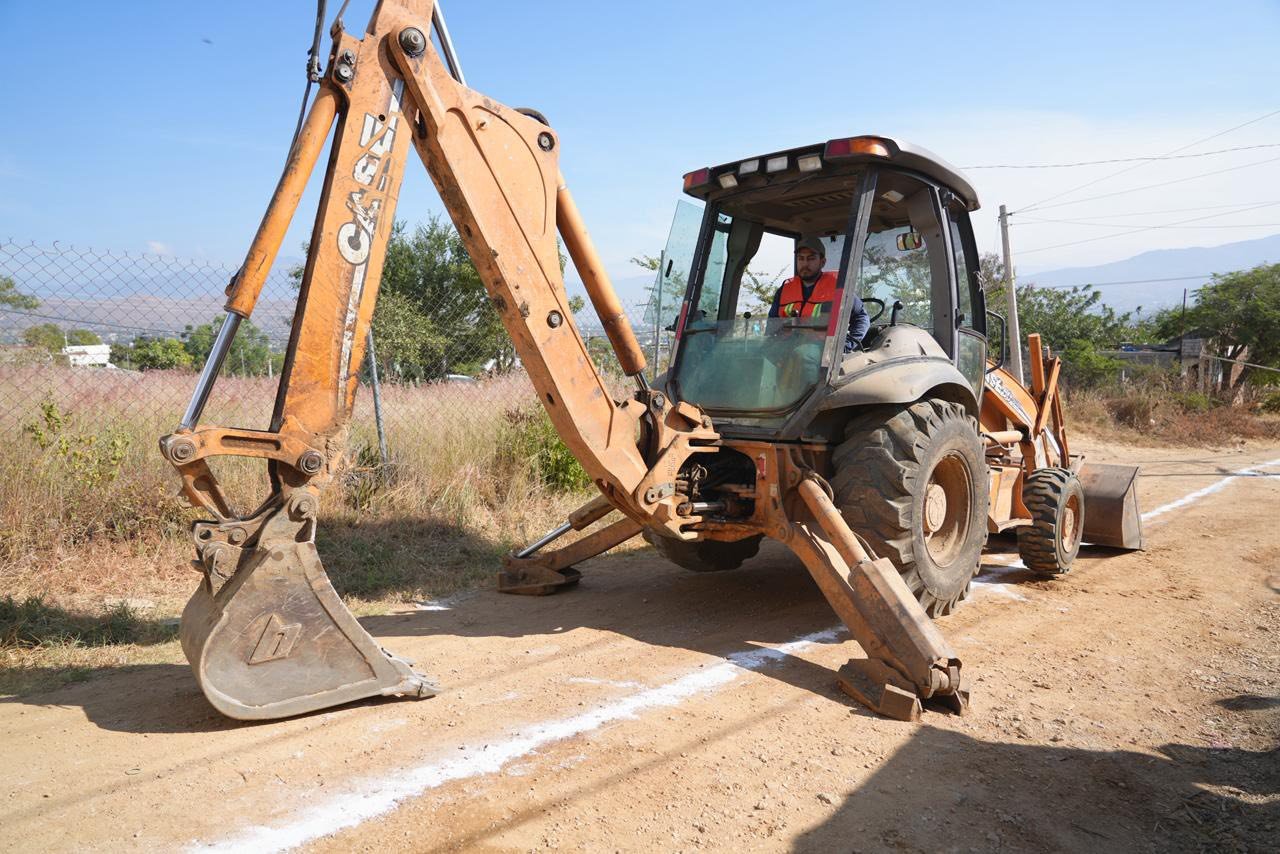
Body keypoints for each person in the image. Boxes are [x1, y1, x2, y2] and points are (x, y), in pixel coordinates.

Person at [768, 238, 870, 351]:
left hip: (822, 351)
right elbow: (772, 325)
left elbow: (861, 317)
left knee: (803, 354)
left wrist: (845, 346)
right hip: (787, 348)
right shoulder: (784, 290)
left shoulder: (837, 286)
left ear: (822, 262)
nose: (805, 264)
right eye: (801, 258)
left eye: (811, 258)